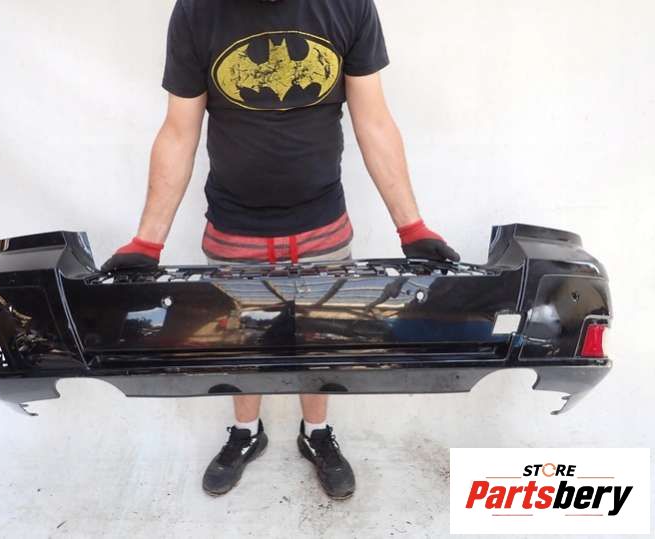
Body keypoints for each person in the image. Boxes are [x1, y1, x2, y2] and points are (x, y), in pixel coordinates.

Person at [102, 0, 460, 500]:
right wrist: (148, 240)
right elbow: (180, 130)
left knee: (320, 338)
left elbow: (374, 120)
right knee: (241, 340)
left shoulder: (347, 5)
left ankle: (316, 433)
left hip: (321, 223)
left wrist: (412, 227)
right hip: (235, 225)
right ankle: (247, 433)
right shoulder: (198, 12)